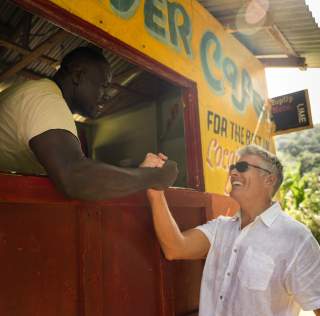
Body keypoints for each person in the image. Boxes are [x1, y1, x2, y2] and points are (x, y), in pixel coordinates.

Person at [146, 144, 320, 316]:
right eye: (232, 167)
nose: (233, 173)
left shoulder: (297, 238)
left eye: (242, 167)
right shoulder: (220, 228)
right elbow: (175, 248)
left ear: (269, 179)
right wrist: (155, 190)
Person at [0, 46, 178, 200]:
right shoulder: (46, 99)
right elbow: (75, 177)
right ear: (77, 75)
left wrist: (138, 172)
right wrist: (153, 177)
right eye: (103, 85)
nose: (106, 95)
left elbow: (82, 169)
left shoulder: (40, 94)